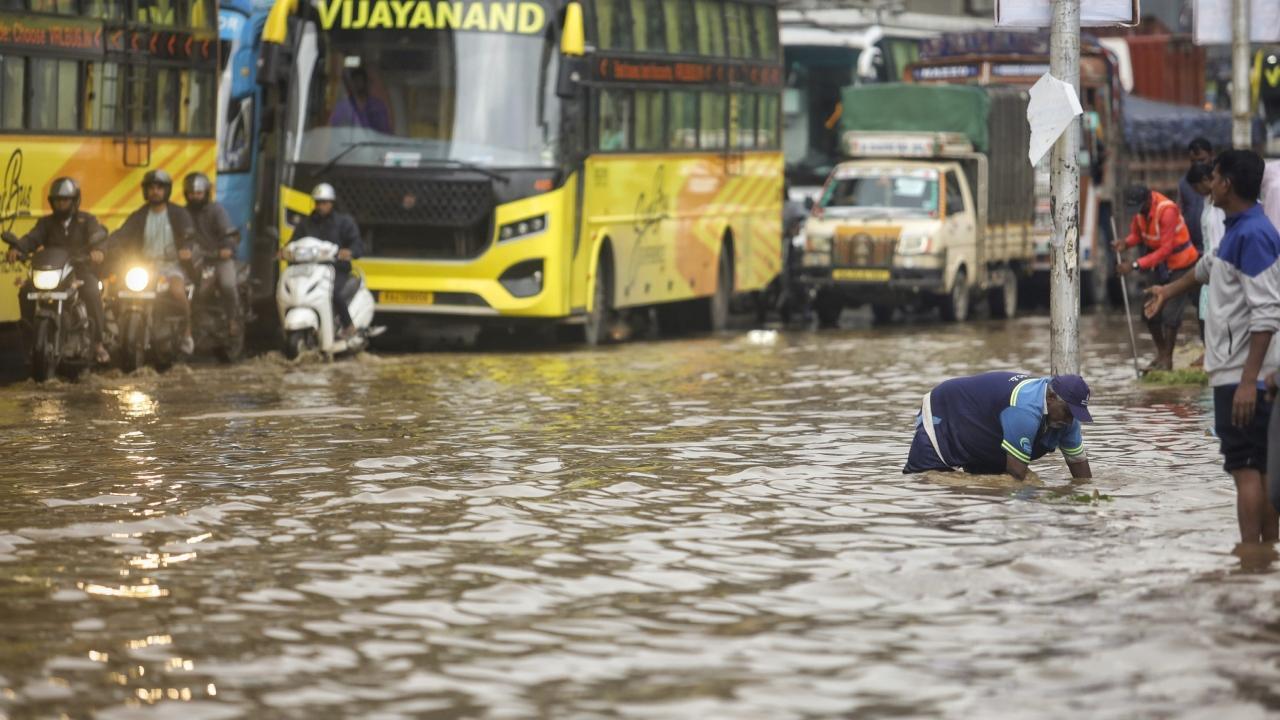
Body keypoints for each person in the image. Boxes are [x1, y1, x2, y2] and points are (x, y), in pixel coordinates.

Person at [1146, 149, 1280, 545]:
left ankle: (1250, 556)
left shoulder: (1253, 235)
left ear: (1228, 185)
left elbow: (1267, 314)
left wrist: (1247, 381)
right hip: (1242, 374)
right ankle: (1264, 561)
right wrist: (1167, 291)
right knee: (1261, 468)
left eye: (1216, 178)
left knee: (1248, 469)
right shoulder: (1239, 229)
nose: (1210, 185)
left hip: (1243, 376)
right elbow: (1207, 267)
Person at [904, 371, 1094, 480]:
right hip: (946, 411)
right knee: (924, 480)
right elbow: (1017, 471)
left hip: (985, 428)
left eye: (1076, 415)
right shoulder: (1024, 409)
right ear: (1051, 398)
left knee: (987, 490)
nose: (1070, 421)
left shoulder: (1068, 420)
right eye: (1069, 413)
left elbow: (1081, 471)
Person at [3, 177, 110, 364]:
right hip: (52, 272)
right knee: (26, 291)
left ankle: (98, 344)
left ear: (74, 200)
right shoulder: (46, 223)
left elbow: (98, 236)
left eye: (65, 199)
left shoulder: (86, 220)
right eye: (58, 200)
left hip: (78, 271)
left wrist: (98, 251)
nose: (61, 204)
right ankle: (31, 341)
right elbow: (32, 238)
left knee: (92, 290)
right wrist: (18, 249)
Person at [108, 169, 199, 355]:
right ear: (145, 191)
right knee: (118, 291)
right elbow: (122, 234)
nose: (155, 191)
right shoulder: (139, 215)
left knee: (177, 291)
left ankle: (187, 334)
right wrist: (109, 244)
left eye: (159, 188)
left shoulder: (178, 214)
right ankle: (116, 335)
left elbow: (189, 234)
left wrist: (186, 249)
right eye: (151, 188)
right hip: (145, 267)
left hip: (171, 266)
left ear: (167, 190)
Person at [1114, 184, 1200, 371]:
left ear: (1147, 201)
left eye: (1139, 208)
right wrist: (1125, 243)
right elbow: (1138, 235)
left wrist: (1135, 265)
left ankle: (1167, 359)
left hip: (1181, 264)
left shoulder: (1166, 210)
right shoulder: (1139, 213)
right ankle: (1161, 353)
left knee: (1170, 314)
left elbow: (1166, 248)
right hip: (1159, 266)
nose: (1136, 212)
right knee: (1149, 312)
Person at [290, 183, 363, 339]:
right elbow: (293, 242)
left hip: (336, 269)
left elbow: (357, 244)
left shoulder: (344, 222)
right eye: (317, 202)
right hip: (309, 270)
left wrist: (348, 252)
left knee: (333, 292)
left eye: (324, 202)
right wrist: (285, 251)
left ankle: (348, 326)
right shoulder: (305, 224)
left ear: (332, 203)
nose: (320, 206)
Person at [182, 172, 242, 337]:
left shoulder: (216, 210)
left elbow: (229, 232)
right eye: (192, 193)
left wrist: (227, 249)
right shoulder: (182, 213)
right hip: (191, 262)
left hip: (217, 259)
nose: (195, 197)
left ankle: (232, 320)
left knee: (228, 284)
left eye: (199, 193)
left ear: (206, 193)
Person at [1188, 162, 1226, 349]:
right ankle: (1208, 349)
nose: (1196, 191)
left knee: (1215, 310)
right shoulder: (1207, 202)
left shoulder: (1219, 206)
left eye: (1197, 187)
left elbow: (1218, 238)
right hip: (1206, 260)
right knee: (1204, 309)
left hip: (1215, 261)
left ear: (1206, 180)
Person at [328, 67, 391, 133]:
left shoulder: (377, 106)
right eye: (355, 81)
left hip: (373, 142)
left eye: (360, 80)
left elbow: (385, 132)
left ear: (366, 83)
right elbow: (334, 131)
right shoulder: (342, 107)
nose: (358, 84)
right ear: (351, 84)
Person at [1179, 137, 1214, 255]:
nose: (1197, 164)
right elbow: (1181, 210)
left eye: (1202, 160)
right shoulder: (1185, 183)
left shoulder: (1219, 182)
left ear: (1211, 156)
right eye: (1193, 161)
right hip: (1192, 248)